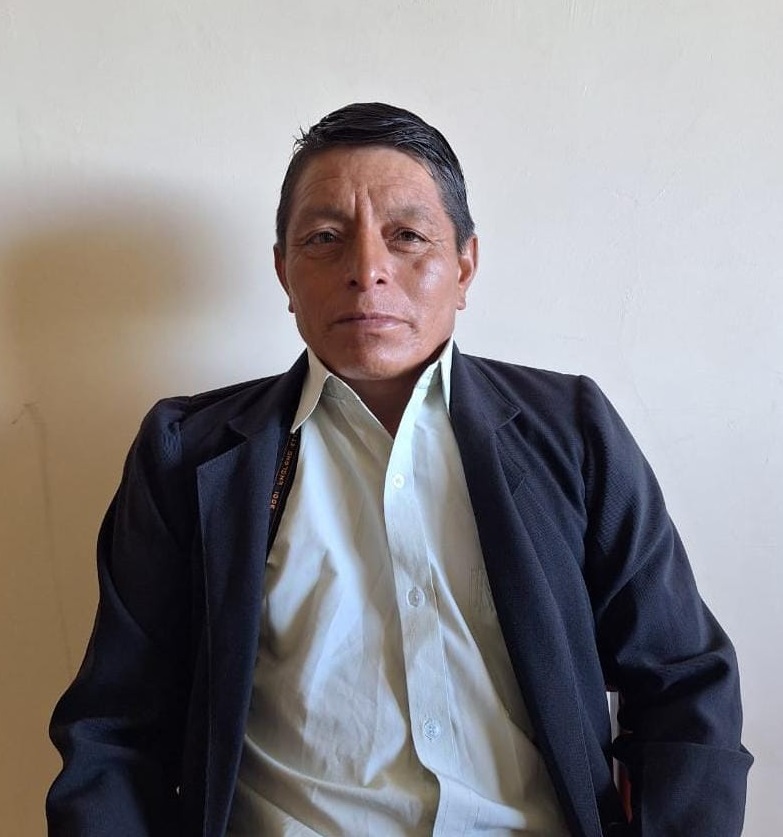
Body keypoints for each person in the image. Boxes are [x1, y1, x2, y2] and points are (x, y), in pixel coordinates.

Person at [47, 102, 752, 837]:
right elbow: (115, 732)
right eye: (325, 239)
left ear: (464, 266)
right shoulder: (188, 453)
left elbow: (682, 681)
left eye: (407, 236)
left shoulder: (571, 431)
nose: (367, 272)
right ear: (284, 271)